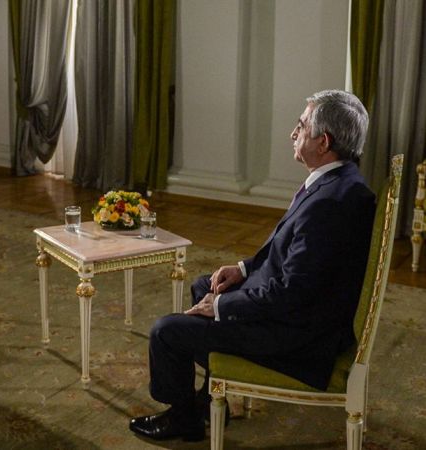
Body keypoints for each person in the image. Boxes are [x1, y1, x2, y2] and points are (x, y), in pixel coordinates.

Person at [129, 90, 376, 441]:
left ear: (323, 142)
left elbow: (292, 291)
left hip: (297, 336)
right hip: (302, 313)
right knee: (205, 285)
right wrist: (244, 270)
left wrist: (222, 307)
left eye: (301, 126)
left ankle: (183, 420)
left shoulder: (330, 203)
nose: (293, 133)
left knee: (166, 331)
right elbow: (291, 251)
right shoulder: (340, 183)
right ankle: (208, 400)